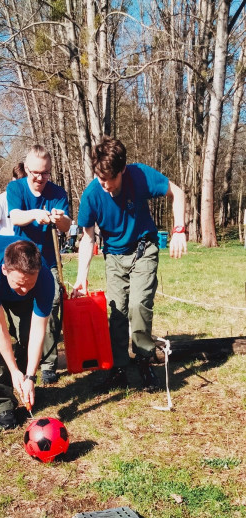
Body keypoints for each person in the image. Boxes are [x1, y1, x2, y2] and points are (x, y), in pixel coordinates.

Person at [73, 137, 187, 392]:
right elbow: (88, 238)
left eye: (110, 179)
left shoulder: (139, 175)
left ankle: (145, 361)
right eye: (100, 178)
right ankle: (119, 368)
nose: (105, 184)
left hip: (143, 249)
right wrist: (81, 277)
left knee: (138, 305)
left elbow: (177, 192)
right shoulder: (92, 195)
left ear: (123, 170)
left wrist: (179, 229)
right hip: (114, 256)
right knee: (118, 313)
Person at [0, 236, 55, 429]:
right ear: (5, 270)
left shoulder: (45, 279)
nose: (24, 289)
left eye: (30, 284)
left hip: (11, 283)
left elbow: (38, 330)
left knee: (26, 333)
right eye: (19, 283)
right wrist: (13, 371)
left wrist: (30, 376)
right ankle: (4, 404)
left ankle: (24, 387)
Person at [7, 145, 71, 384]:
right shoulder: (15, 188)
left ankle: (49, 364)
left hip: (48, 261)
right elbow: (15, 216)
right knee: (23, 310)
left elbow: (67, 226)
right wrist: (35, 213)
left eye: (45, 173)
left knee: (51, 305)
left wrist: (59, 218)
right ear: (26, 169)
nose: (40, 178)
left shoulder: (58, 193)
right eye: (35, 172)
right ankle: (25, 353)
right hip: (21, 261)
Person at [0, 163, 27, 237]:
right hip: (4, 242)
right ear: (13, 179)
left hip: (23, 241)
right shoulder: (1, 199)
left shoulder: (29, 199)